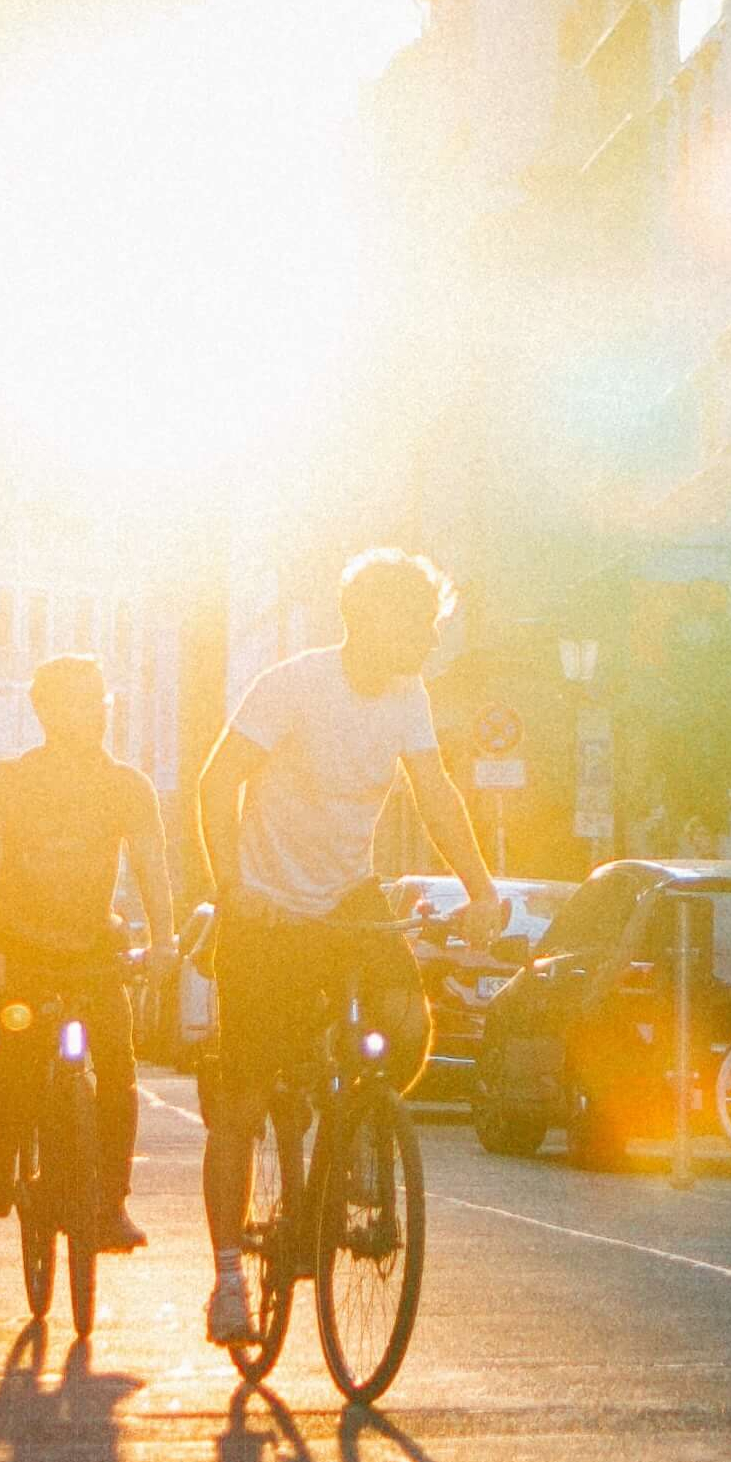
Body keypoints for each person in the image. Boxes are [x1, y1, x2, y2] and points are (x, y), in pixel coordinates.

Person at [193, 548, 507, 1347]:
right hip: (265, 906)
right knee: (239, 1105)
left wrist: (480, 889)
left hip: (345, 894)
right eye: (420, 625)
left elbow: (435, 794)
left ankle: (359, 1132)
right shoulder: (294, 686)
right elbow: (216, 783)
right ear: (369, 618)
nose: (431, 641)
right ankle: (229, 1272)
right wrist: (232, 888)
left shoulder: (409, 695)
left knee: (406, 1022)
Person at [0, 655, 176, 1252]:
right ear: (45, 712)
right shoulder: (3, 783)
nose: (95, 716)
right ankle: (0, 1152)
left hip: (93, 948)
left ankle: (111, 1203)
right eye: (80, 704)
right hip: (20, 946)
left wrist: (165, 941)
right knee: (19, 1048)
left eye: (100, 703)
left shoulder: (127, 786)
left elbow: (152, 867)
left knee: (117, 1069)